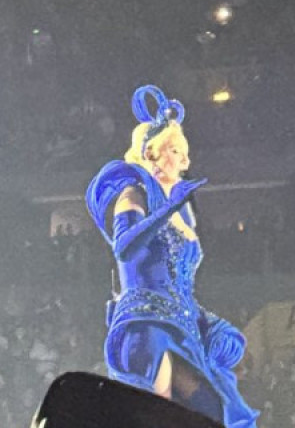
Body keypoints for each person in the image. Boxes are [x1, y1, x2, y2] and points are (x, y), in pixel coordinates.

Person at [86, 86, 259, 428]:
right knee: (158, 417)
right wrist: (166, 210)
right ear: (151, 153)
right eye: (177, 151)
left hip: (180, 328)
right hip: (146, 326)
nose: (185, 161)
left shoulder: (183, 212)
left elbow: (179, 283)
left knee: (216, 412)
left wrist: (208, 325)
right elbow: (124, 248)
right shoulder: (134, 195)